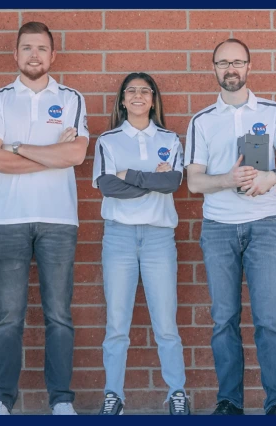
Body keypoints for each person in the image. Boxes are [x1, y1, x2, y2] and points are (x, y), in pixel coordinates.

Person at [184, 38, 276, 415]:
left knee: (269, 319)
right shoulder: (201, 121)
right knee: (224, 320)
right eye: (223, 63)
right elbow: (194, 182)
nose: (231, 69)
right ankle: (230, 402)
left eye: (237, 62)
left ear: (249, 67)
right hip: (218, 227)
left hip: (264, 225)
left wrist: (272, 178)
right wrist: (228, 179)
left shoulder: (273, 111)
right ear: (213, 68)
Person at [0, 22, 89, 415]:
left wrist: (18, 148)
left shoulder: (73, 98)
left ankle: (61, 400)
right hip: (8, 219)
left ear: (53, 55)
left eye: (42, 48)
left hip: (59, 220)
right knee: (9, 316)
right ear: (16, 54)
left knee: (59, 314)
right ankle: (0, 400)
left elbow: (74, 157)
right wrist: (47, 155)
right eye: (27, 48)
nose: (34, 55)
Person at [91, 72, 189, 415]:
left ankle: (177, 393)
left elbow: (173, 181)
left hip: (159, 238)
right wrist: (152, 180)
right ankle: (113, 396)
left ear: (153, 99)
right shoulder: (108, 140)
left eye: (144, 91)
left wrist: (129, 175)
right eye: (130, 91)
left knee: (166, 324)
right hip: (119, 237)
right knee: (117, 324)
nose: (137, 96)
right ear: (122, 99)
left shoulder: (169, 138)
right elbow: (107, 186)